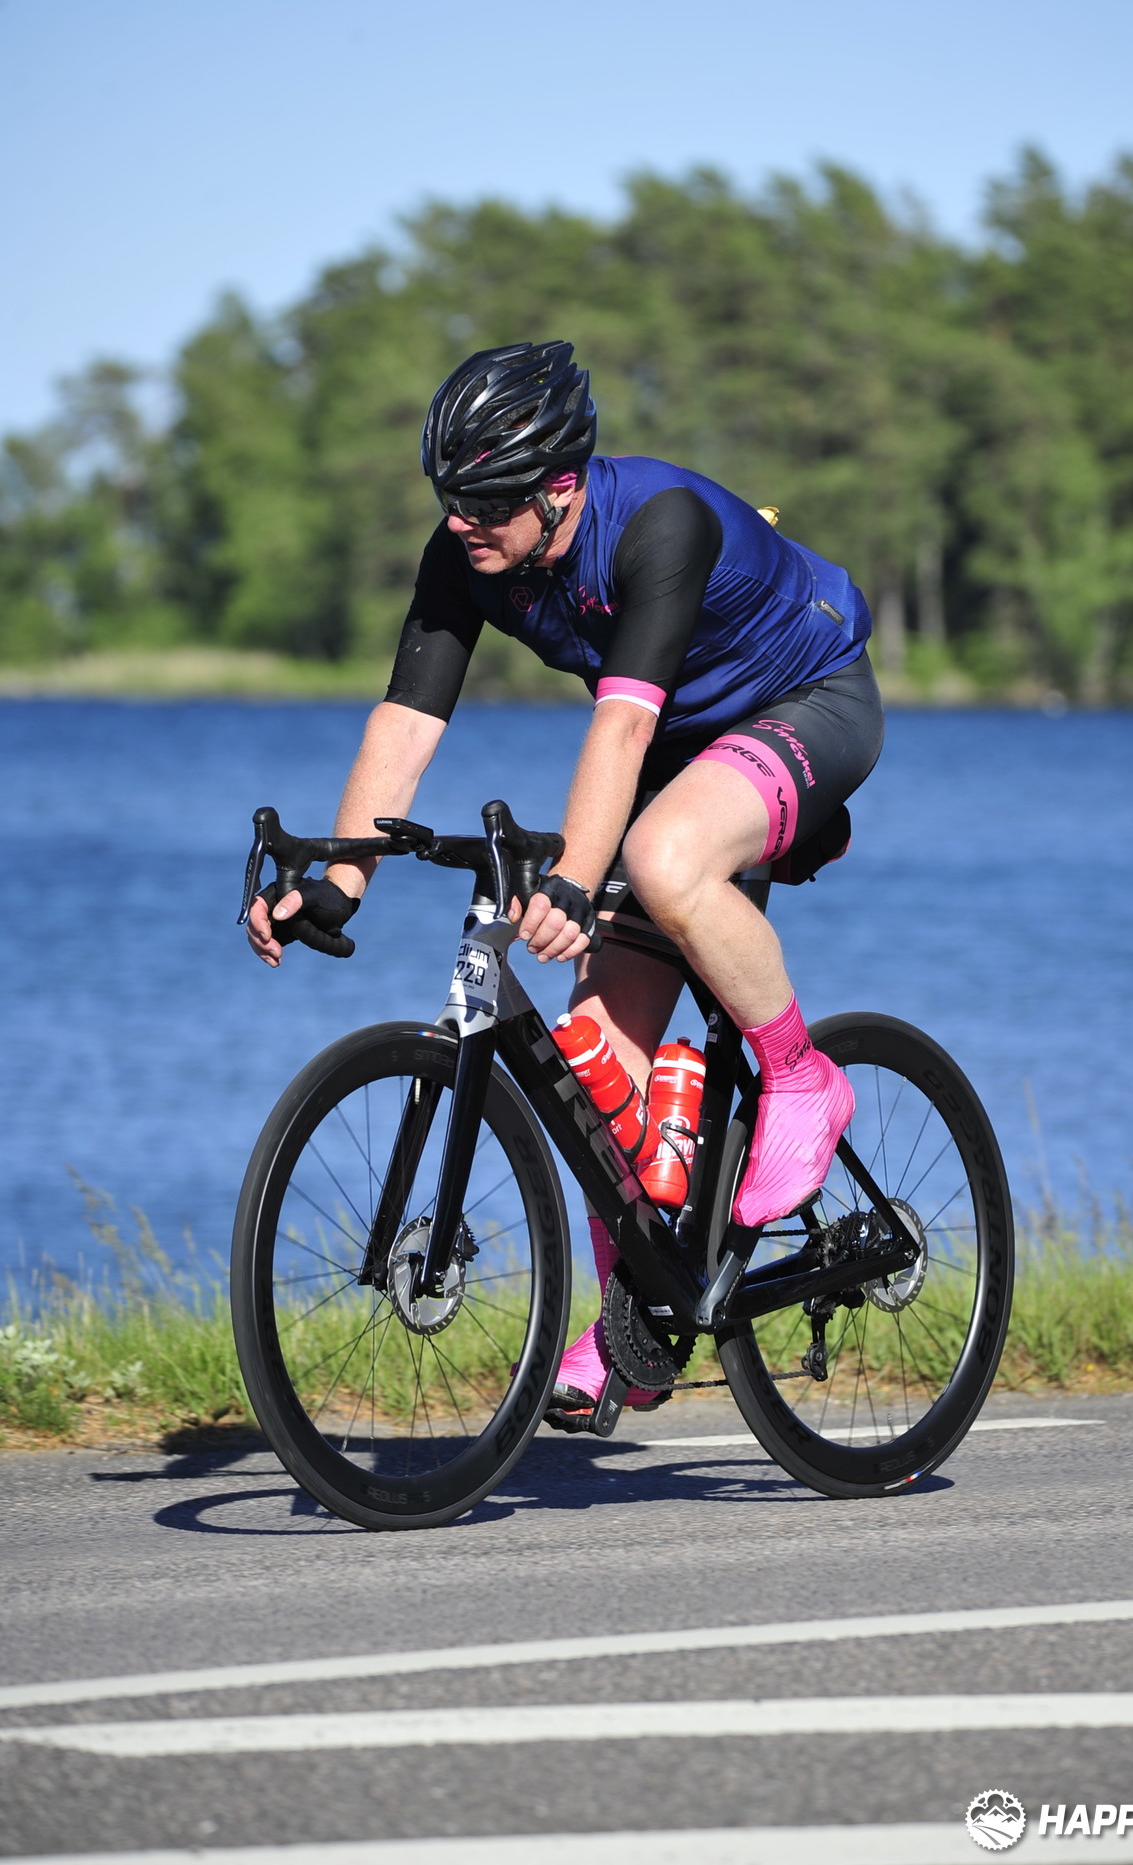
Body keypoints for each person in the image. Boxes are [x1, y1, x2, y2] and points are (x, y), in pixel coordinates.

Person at [247, 340, 883, 1417]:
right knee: (595, 1072)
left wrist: (579, 879)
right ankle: (643, 1313)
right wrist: (342, 881)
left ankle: (801, 1076)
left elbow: (622, 725)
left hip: (808, 701)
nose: (465, 522)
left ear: (562, 487)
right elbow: (405, 722)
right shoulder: (467, 552)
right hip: (680, 745)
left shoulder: (658, 525)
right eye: (452, 499)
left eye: (491, 501)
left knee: (662, 858)